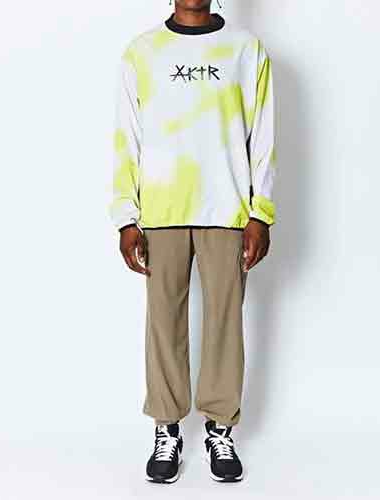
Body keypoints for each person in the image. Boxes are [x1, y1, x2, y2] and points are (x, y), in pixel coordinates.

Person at [110, 0, 277, 484]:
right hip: (161, 210)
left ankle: (220, 427)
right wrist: (126, 217)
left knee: (225, 319)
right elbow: (127, 137)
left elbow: (264, 136)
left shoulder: (246, 50)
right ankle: (166, 427)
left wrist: (260, 213)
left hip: (227, 208)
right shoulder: (142, 53)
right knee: (163, 322)